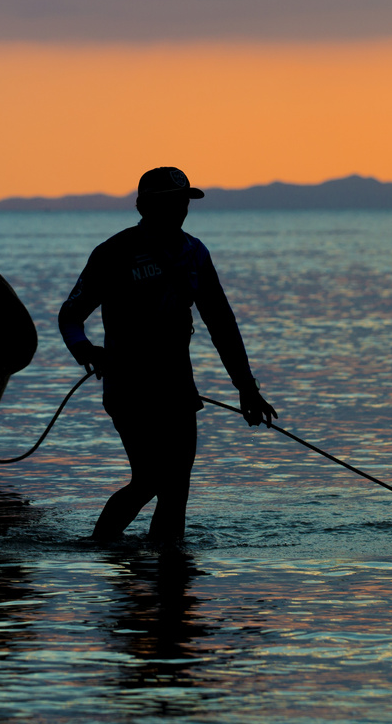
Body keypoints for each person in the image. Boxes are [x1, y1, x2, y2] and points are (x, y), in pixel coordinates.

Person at [58, 166, 278, 544]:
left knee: (176, 489)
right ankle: (99, 551)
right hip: (128, 387)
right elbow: (70, 317)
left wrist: (247, 388)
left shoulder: (195, 252)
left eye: (183, 202)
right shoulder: (114, 253)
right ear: (143, 206)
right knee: (150, 480)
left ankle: (171, 578)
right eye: (168, 202)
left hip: (178, 386)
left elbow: (222, 324)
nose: (178, 209)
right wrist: (86, 350)